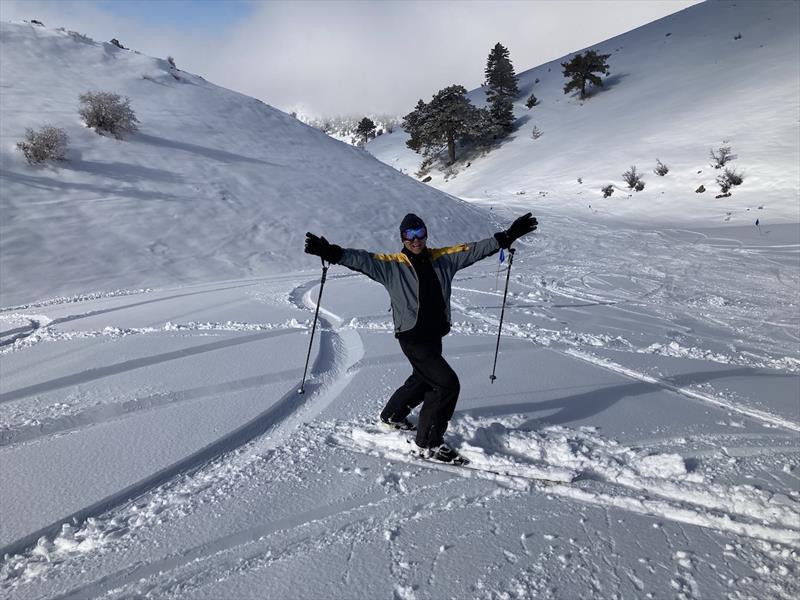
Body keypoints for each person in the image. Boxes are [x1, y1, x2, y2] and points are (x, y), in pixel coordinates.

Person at [304, 212, 537, 463]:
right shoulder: (392, 265)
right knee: (445, 383)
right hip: (412, 337)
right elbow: (361, 259)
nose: (416, 240)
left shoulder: (443, 259)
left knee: (424, 377)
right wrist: (332, 253)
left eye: (420, 234)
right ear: (402, 238)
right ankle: (428, 444)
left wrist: (507, 236)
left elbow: (473, 249)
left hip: (434, 334)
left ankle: (392, 415)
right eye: (409, 235)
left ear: (426, 234)